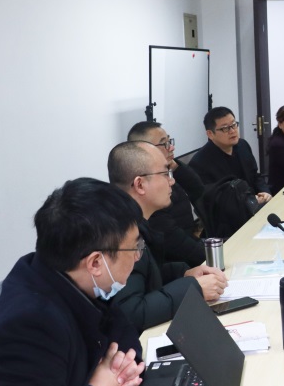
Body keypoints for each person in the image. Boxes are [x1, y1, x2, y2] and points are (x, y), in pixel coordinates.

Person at [0, 178, 146, 386]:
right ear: (95, 263)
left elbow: (127, 346)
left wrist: (114, 371)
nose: (138, 256)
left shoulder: (76, 280)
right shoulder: (29, 326)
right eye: (134, 248)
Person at [108, 141, 226, 332]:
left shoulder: (134, 221)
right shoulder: (121, 235)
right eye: (165, 173)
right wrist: (193, 288)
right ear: (140, 184)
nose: (171, 181)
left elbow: (144, 276)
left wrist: (183, 274)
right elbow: (131, 312)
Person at [127, 121, 205, 267]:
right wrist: (211, 254)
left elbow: (198, 189)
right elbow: (174, 241)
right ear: (144, 150)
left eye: (169, 141)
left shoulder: (166, 172)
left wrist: (176, 167)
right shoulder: (149, 190)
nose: (171, 147)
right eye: (164, 144)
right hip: (178, 261)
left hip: (188, 249)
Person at [188, 106, 271, 204]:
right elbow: (214, 201)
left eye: (234, 125)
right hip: (232, 211)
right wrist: (250, 202)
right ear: (210, 134)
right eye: (225, 128)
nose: (232, 131)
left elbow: (255, 176)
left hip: (257, 204)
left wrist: (265, 192)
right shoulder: (199, 163)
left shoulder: (243, 145)